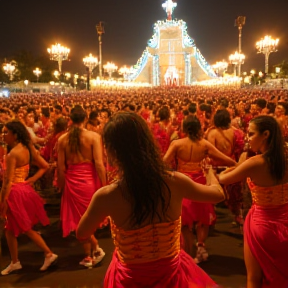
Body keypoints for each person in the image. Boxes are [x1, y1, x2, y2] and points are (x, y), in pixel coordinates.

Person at [77, 112, 226, 288]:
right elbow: (218, 195)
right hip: (171, 274)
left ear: (111, 151)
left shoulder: (107, 196)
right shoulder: (175, 181)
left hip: (130, 278)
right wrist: (210, 173)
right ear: (147, 143)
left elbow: (82, 233)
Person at [219, 115, 288, 288]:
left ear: (265, 134)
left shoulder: (255, 163)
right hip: (285, 220)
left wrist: (224, 170)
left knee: (254, 278)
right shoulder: (284, 159)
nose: (247, 139)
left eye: (251, 134)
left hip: (263, 224)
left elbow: (224, 179)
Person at [163, 115, 236, 262]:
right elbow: (228, 160)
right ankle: (201, 248)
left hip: (182, 184)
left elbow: (163, 163)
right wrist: (221, 167)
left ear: (184, 128)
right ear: (198, 128)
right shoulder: (204, 144)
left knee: (184, 221)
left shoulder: (177, 144)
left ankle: (187, 254)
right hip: (201, 183)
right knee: (202, 218)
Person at [0, 120, 58, 275]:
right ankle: (14, 262)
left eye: (6, 132)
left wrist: (2, 201)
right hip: (24, 190)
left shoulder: (13, 154)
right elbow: (45, 166)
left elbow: (7, 182)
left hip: (14, 192)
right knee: (10, 229)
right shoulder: (28, 148)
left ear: (15, 134)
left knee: (24, 227)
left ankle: (48, 253)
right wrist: (30, 180)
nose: (3, 135)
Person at [57, 105, 106, 267]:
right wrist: (105, 185)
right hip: (90, 183)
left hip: (72, 182)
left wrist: (62, 186)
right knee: (88, 219)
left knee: (79, 220)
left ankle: (92, 253)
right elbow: (99, 164)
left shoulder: (62, 139)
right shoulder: (93, 137)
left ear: (70, 120)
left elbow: (61, 167)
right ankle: (94, 251)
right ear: (85, 119)